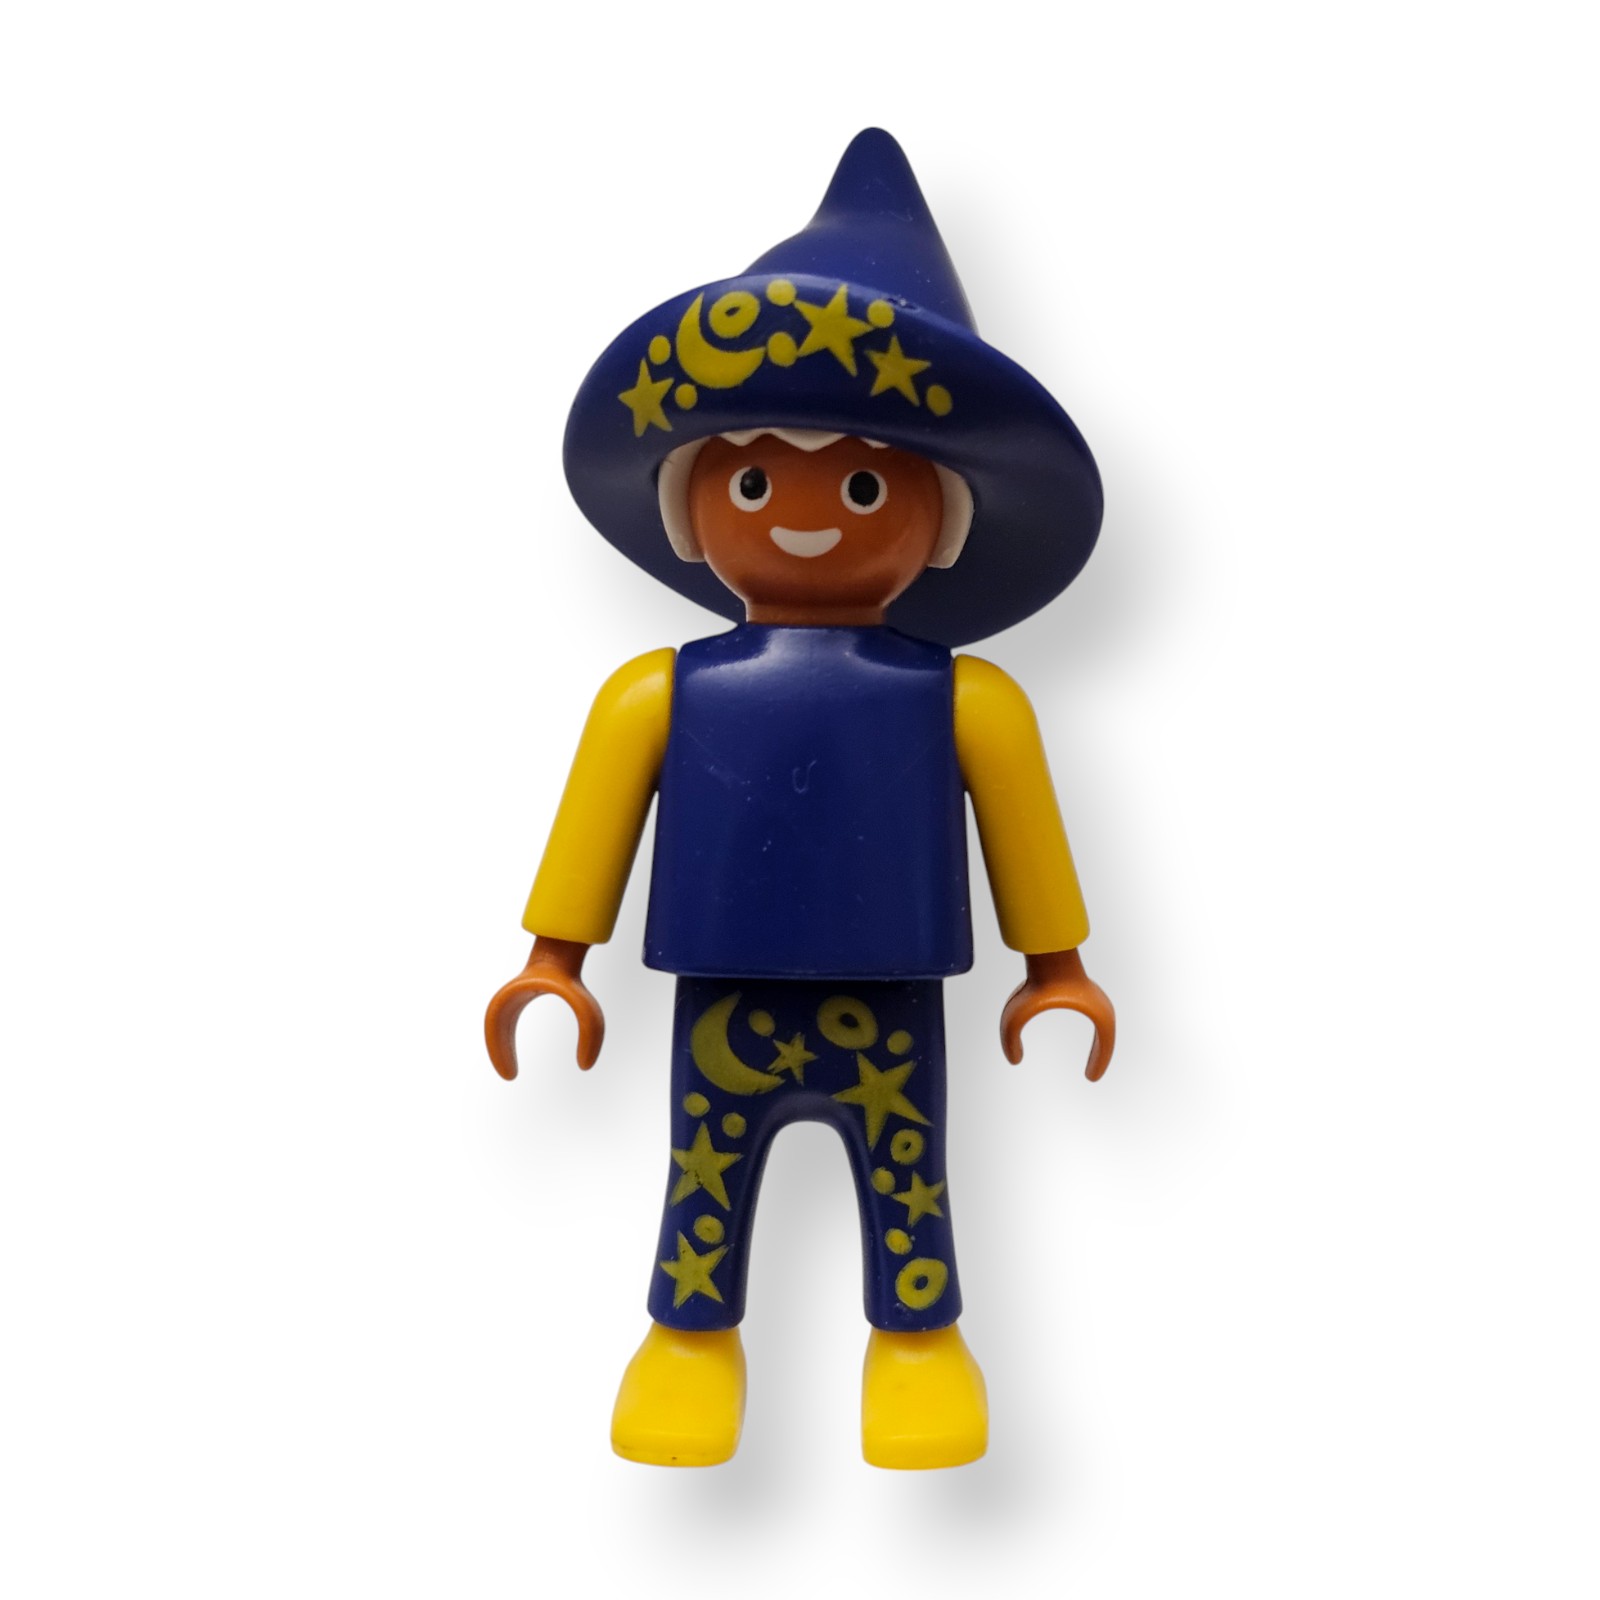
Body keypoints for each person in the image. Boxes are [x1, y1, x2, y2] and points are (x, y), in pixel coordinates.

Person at [485, 130, 1115, 1469]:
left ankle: (920, 1343)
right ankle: (688, 1340)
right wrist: (554, 959)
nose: (807, 513)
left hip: (891, 991)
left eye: (867, 482)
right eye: (758, 479)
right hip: (728, 986)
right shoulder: (659, 693)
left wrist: (1056, 966)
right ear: (696, 505)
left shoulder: (969, 701)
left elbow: (1023, 832)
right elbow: (599, 817)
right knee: (704, 1166)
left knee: (909, 1168)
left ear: (936, 517)